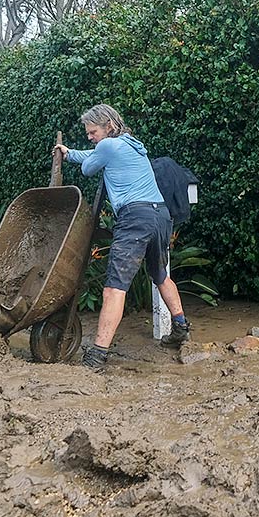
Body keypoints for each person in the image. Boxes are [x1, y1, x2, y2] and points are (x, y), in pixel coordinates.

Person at [53, 104, 190, 371]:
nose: (90, 136)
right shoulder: (131, 145)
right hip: (160, 214)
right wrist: (69, 153)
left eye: (93, 132)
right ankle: (181, 327)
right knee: (160, 274)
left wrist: (75, 159)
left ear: (109, 126)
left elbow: (89, 168)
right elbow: (95, 153)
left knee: (114, 286)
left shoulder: (108, 147)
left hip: (135, 216)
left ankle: (97, 355)